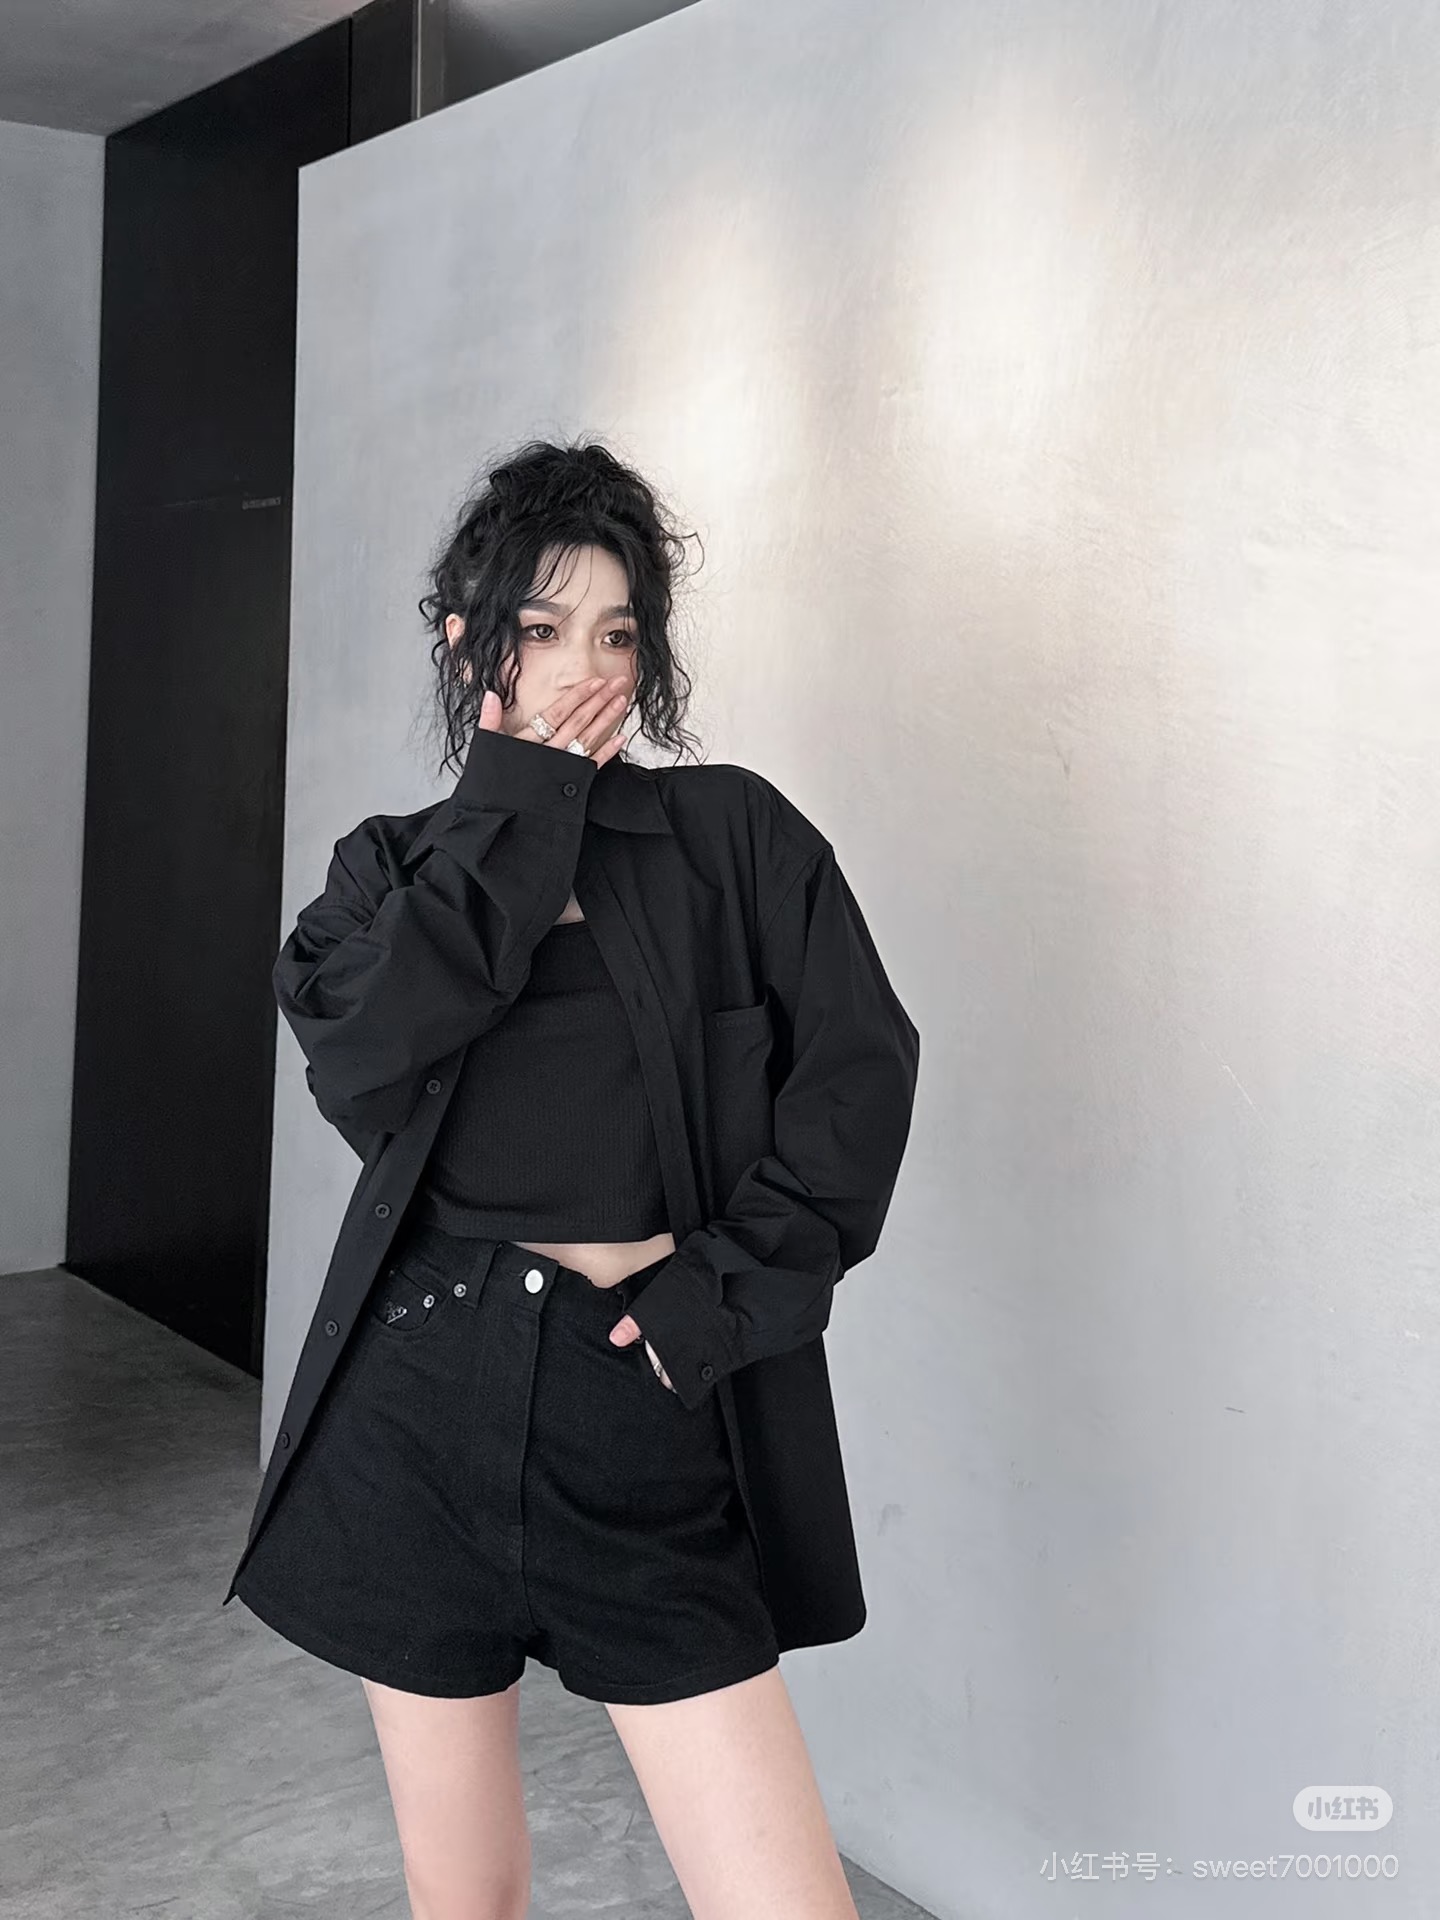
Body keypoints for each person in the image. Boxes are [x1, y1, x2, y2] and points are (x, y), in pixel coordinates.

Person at [229, 437, 921, 1920]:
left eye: (615, 633)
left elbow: (857, 1086)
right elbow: (361, 1062)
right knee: (465, 1896)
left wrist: (709, 1304)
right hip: (416, 1406)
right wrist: (515, 816)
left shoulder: (734, 838)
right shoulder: (388, 874)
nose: (583, 670)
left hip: (639, 1403)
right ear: (465, 642)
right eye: (541, 630)